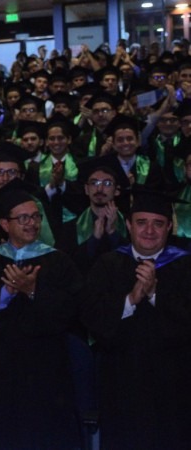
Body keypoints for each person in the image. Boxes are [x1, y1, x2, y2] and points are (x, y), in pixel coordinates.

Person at [81, 189, 191, 449]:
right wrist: (131, 299)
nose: (149, 231)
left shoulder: (185, 266)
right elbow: (91, 318)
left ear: (170, 227)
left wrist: (155, 294)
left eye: (158, 224)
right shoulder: (107, 264)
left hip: (176, 386)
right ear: (128, 225)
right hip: (121, 383)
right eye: (141, 222)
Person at [0, 184, 82, 449]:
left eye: (36, 217)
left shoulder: (59, 261)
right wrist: (6, 294)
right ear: (4, 224)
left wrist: (33, 290)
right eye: (23, 218)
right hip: (1, 370)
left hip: (47, 371)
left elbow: (73, 312)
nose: (32, 223)